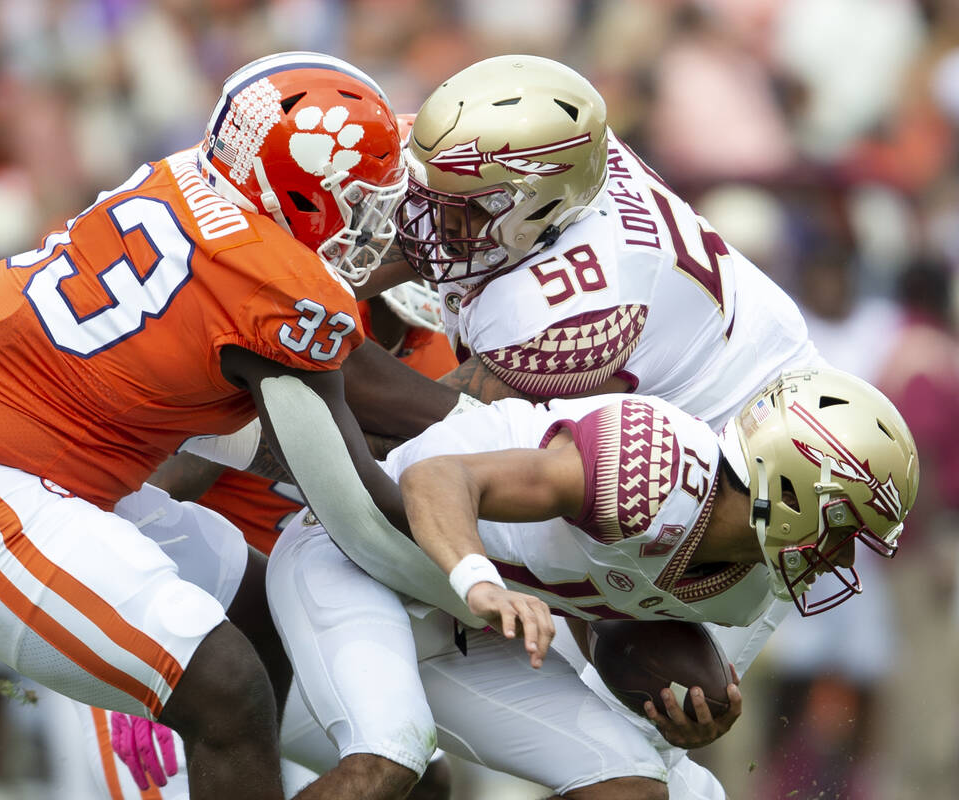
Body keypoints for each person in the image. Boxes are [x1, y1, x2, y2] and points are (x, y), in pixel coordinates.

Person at [0, 51, 474, 800]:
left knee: (268, 616)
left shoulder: (185, 178)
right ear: (296, 191)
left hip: (50, 484)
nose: (372, 219)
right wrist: (505, 510)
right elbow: (355, 494)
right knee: (228, 687)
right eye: (359, 198)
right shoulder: (273, 282)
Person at [295, 53, 825, 799]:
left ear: (538, 210)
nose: (427, 214)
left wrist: (252, 331)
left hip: (731, 490)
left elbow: (412, 428)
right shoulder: (541, 171)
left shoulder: (568, 314)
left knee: (636, 747)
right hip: (707, 424)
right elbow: (404, 234)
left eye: (463, 205)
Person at [270, 367, 918, 800]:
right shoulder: (655, 469)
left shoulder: (744, 586)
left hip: (466, 623)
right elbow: (434, 480)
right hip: (363, 554)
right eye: (842, 527)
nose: (836, 556)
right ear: (793, 486)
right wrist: (480, 581)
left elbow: (602, 599)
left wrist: (683, 717)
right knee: (389, 753)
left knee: (632, 781)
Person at [91, 280, 459, 799]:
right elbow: (161, 480)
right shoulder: (296, 320)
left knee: (416, 773)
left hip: (300, 625)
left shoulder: (441, 346)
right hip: (194, 616)